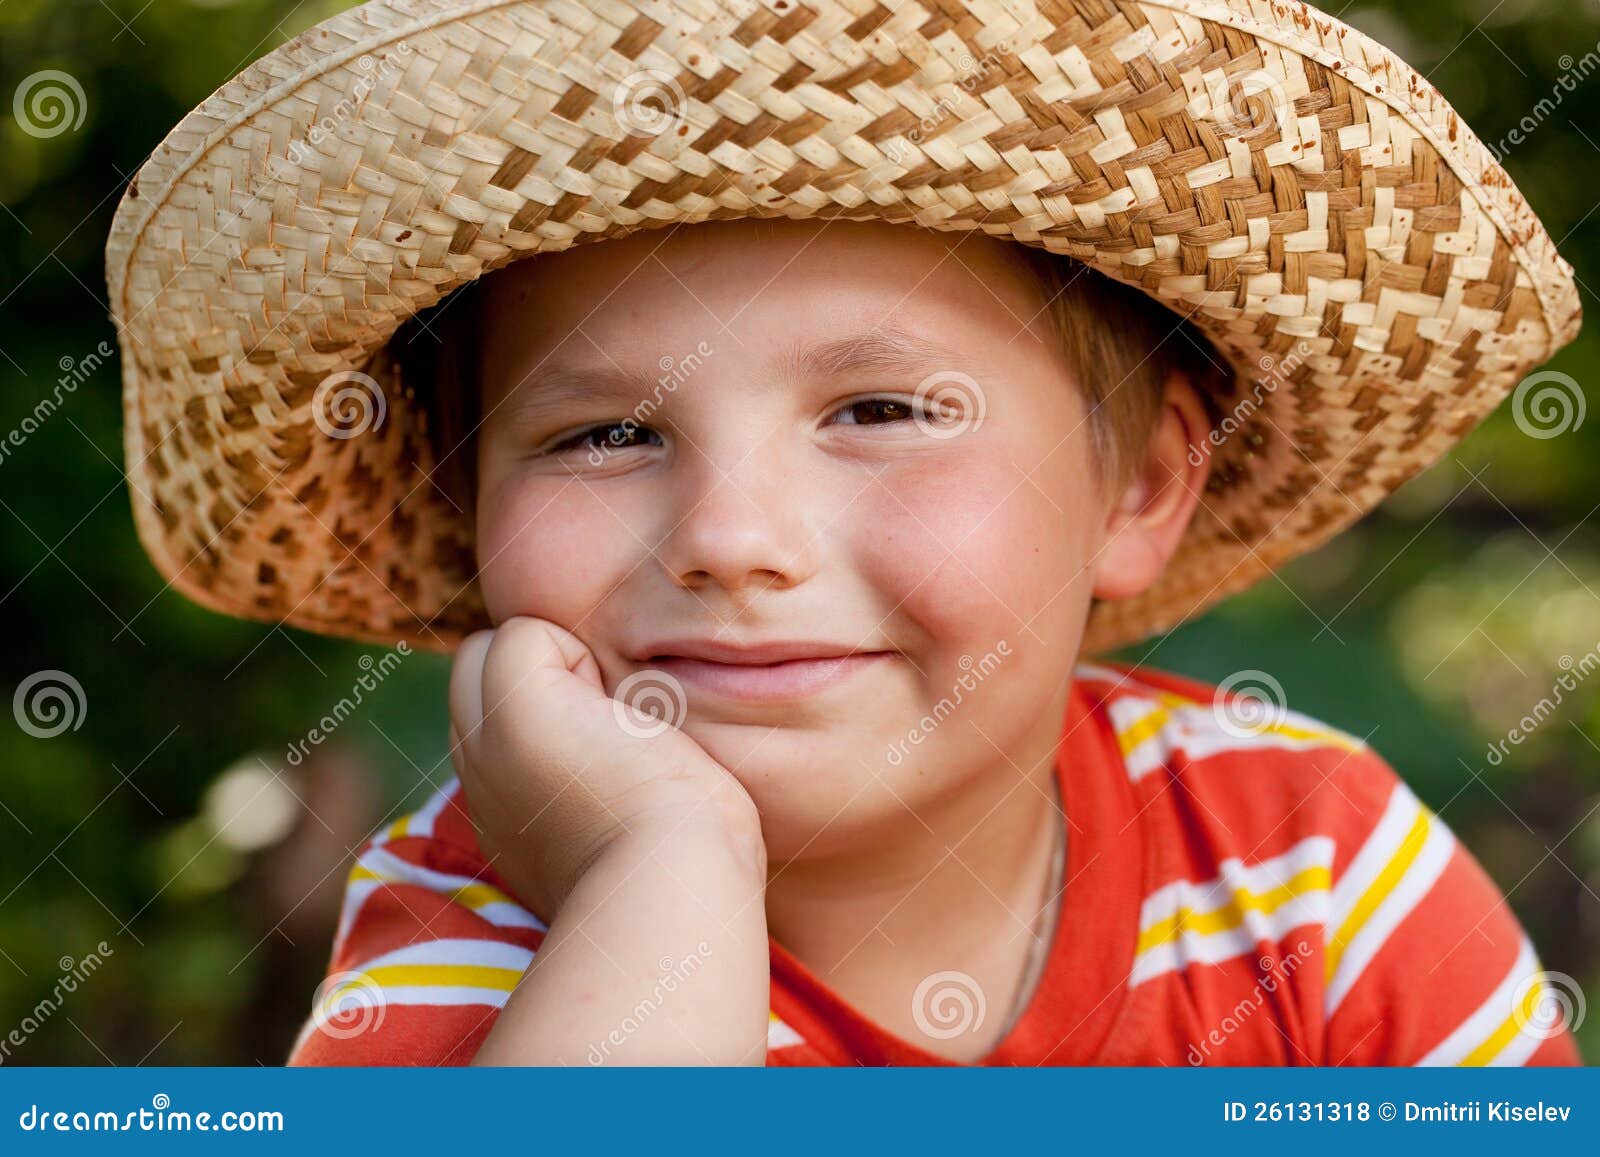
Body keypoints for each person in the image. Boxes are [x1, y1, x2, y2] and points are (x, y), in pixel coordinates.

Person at [104, 0, 1583, 1066]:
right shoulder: (489, 950)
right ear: (467, 506)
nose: (731, 538)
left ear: (1137, 489)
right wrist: (662, 873)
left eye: (881, 408)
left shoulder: (1306, 862)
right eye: (605, 433)